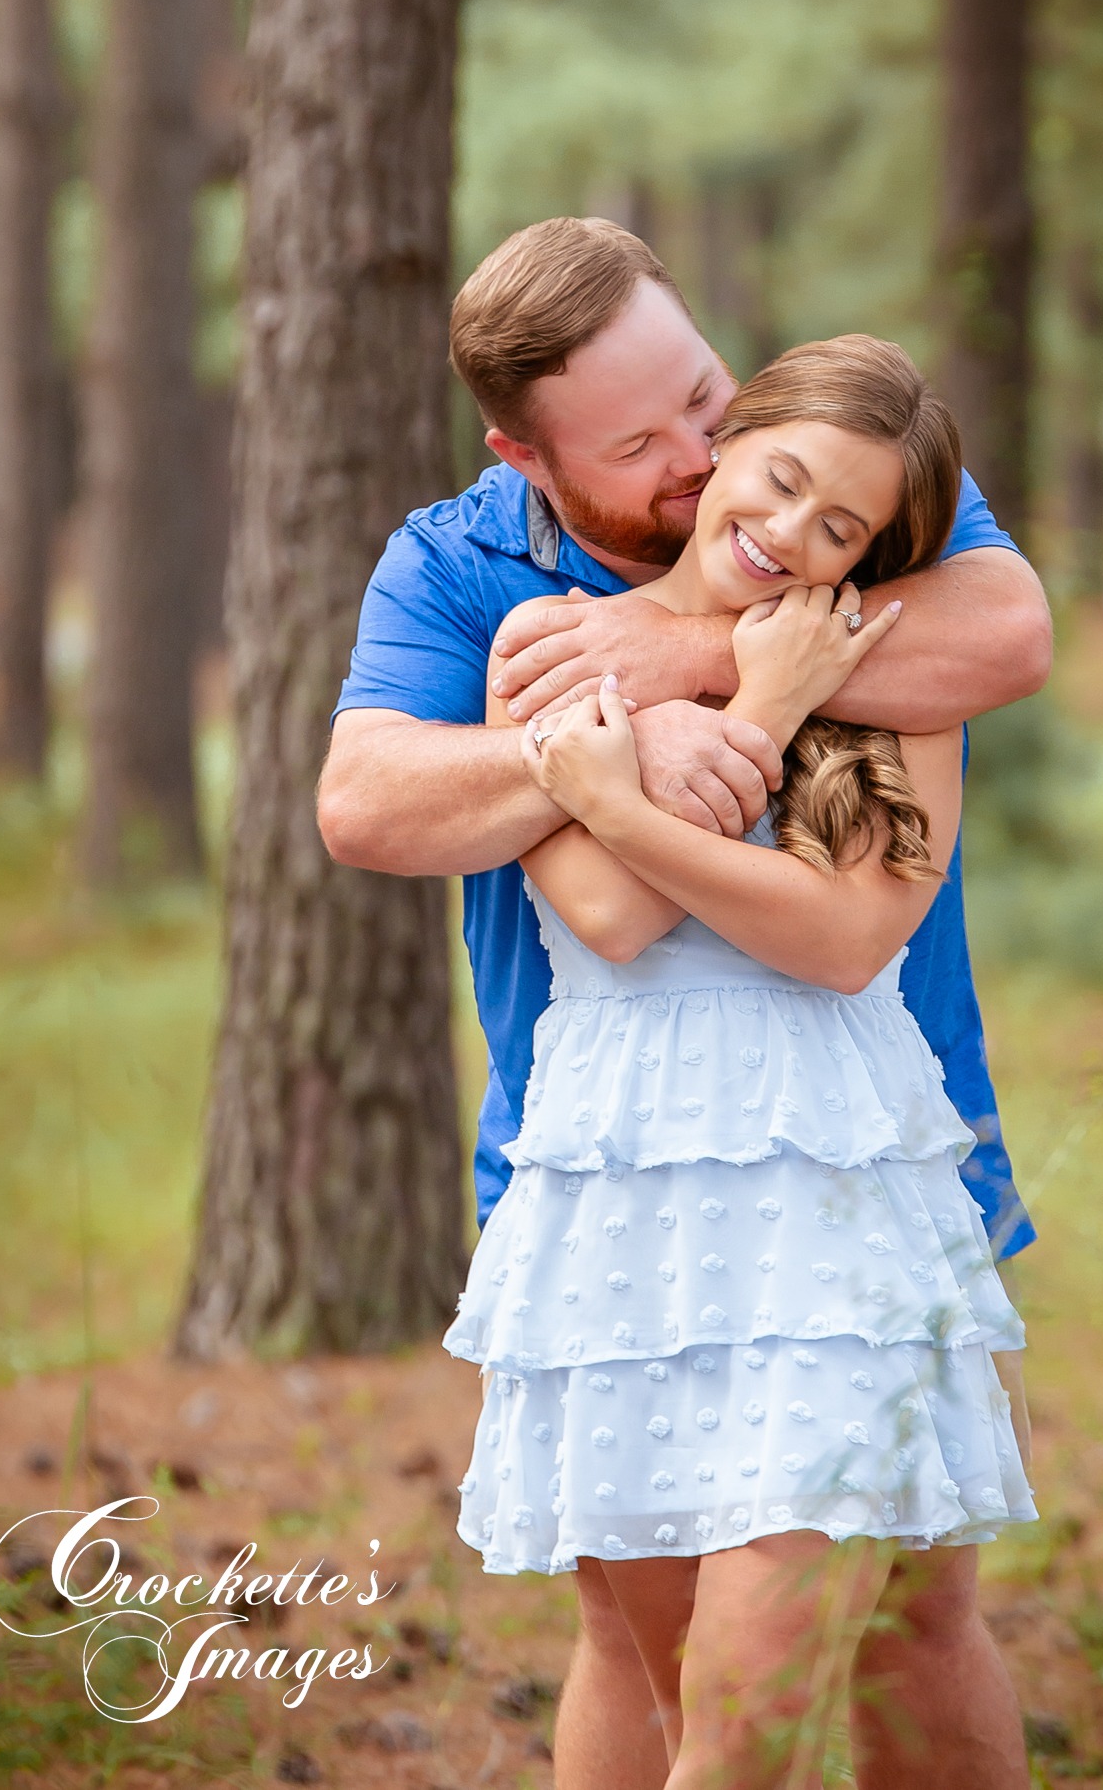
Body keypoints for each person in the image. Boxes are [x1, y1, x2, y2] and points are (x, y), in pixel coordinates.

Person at [319, 217, 1051, 1788]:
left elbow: (1009, 637)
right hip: (610, 1166)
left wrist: (694, 656)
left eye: (706, 400)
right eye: (641, 443)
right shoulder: (472, 570)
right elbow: (371, 807)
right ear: (527, 455)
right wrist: (581, 757)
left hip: (861, 1152)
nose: (706, 457)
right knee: (641, 1650)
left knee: (896, 1634)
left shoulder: (846, 471)